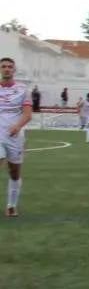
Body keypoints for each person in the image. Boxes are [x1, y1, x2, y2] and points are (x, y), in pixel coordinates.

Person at [0, 57, 33, 217]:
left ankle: (11, 205)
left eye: (9, 67)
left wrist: (18, 126)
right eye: (4, 66)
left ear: (14, 70)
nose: (7, 69)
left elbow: (28, 115)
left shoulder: (23, 89)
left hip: (15, 136)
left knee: (14, 172)